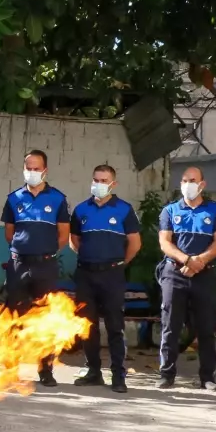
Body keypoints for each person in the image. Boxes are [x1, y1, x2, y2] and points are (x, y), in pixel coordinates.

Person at [69, 164, 141, 394]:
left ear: (113, 184)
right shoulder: (81, 210)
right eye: (96, 179)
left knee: (114, 327)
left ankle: (118, 375)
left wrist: (117, 263)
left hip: (112, 275)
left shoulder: (124, 210)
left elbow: (135, 244)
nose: (98, 184)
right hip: (86, 275)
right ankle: (93, 371)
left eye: (104, 180)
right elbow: (74, 241)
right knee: (87, 326)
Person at [1, 150, 71, 387]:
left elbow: (63, 235)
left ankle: (46, 369)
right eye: (28, 167)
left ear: (45, 170)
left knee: (45, 319)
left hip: (46, 265)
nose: (32, 172)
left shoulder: (58, 199)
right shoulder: (13, 198)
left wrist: (45, 251)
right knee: (13, 318)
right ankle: (12, 368)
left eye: (36, 168)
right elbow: (9, 233)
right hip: (19, 264)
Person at [157, 166, 216, 391]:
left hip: (204, 275)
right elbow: (165, 243)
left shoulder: (214, 211)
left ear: (202, 184)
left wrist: (199, 262)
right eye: (185, 181)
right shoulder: (169, 211)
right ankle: (166, 375)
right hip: (174, 274)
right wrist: (187, 260)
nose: (189, 185)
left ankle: (208, 377)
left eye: (193, 180)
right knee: (170, 326)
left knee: (206, 328)